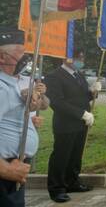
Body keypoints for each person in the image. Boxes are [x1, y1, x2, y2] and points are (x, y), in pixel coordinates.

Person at [44, 50, 101, 203]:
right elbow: (57, 102)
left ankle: (72, 182)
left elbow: (82, 96)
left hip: (82, 122)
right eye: (77, 58)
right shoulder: (54, 77)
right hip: (66, 123)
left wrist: (92, 92)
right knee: (62, 156)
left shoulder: (78, 75)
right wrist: (81, 113)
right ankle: (57, 188)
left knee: (76, 154)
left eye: (82, 57)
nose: (80, 60)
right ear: (66, 58)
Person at [0, 28, 41, 206]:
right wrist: (5, 169)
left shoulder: (14, 83)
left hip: (16, 169)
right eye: (20, 54)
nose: (26, 59)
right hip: (6, 170)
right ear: (2, 57)